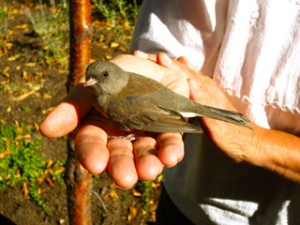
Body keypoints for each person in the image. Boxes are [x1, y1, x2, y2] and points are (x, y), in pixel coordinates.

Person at [40, 0, 300, 224]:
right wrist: (156, 60)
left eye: (102, 76)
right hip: (182, 200)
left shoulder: (115, 106)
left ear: (115, 75)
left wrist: (130, 135)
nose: (92, 83)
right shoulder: (117, 85)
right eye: (91, 78)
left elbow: (151, 118)